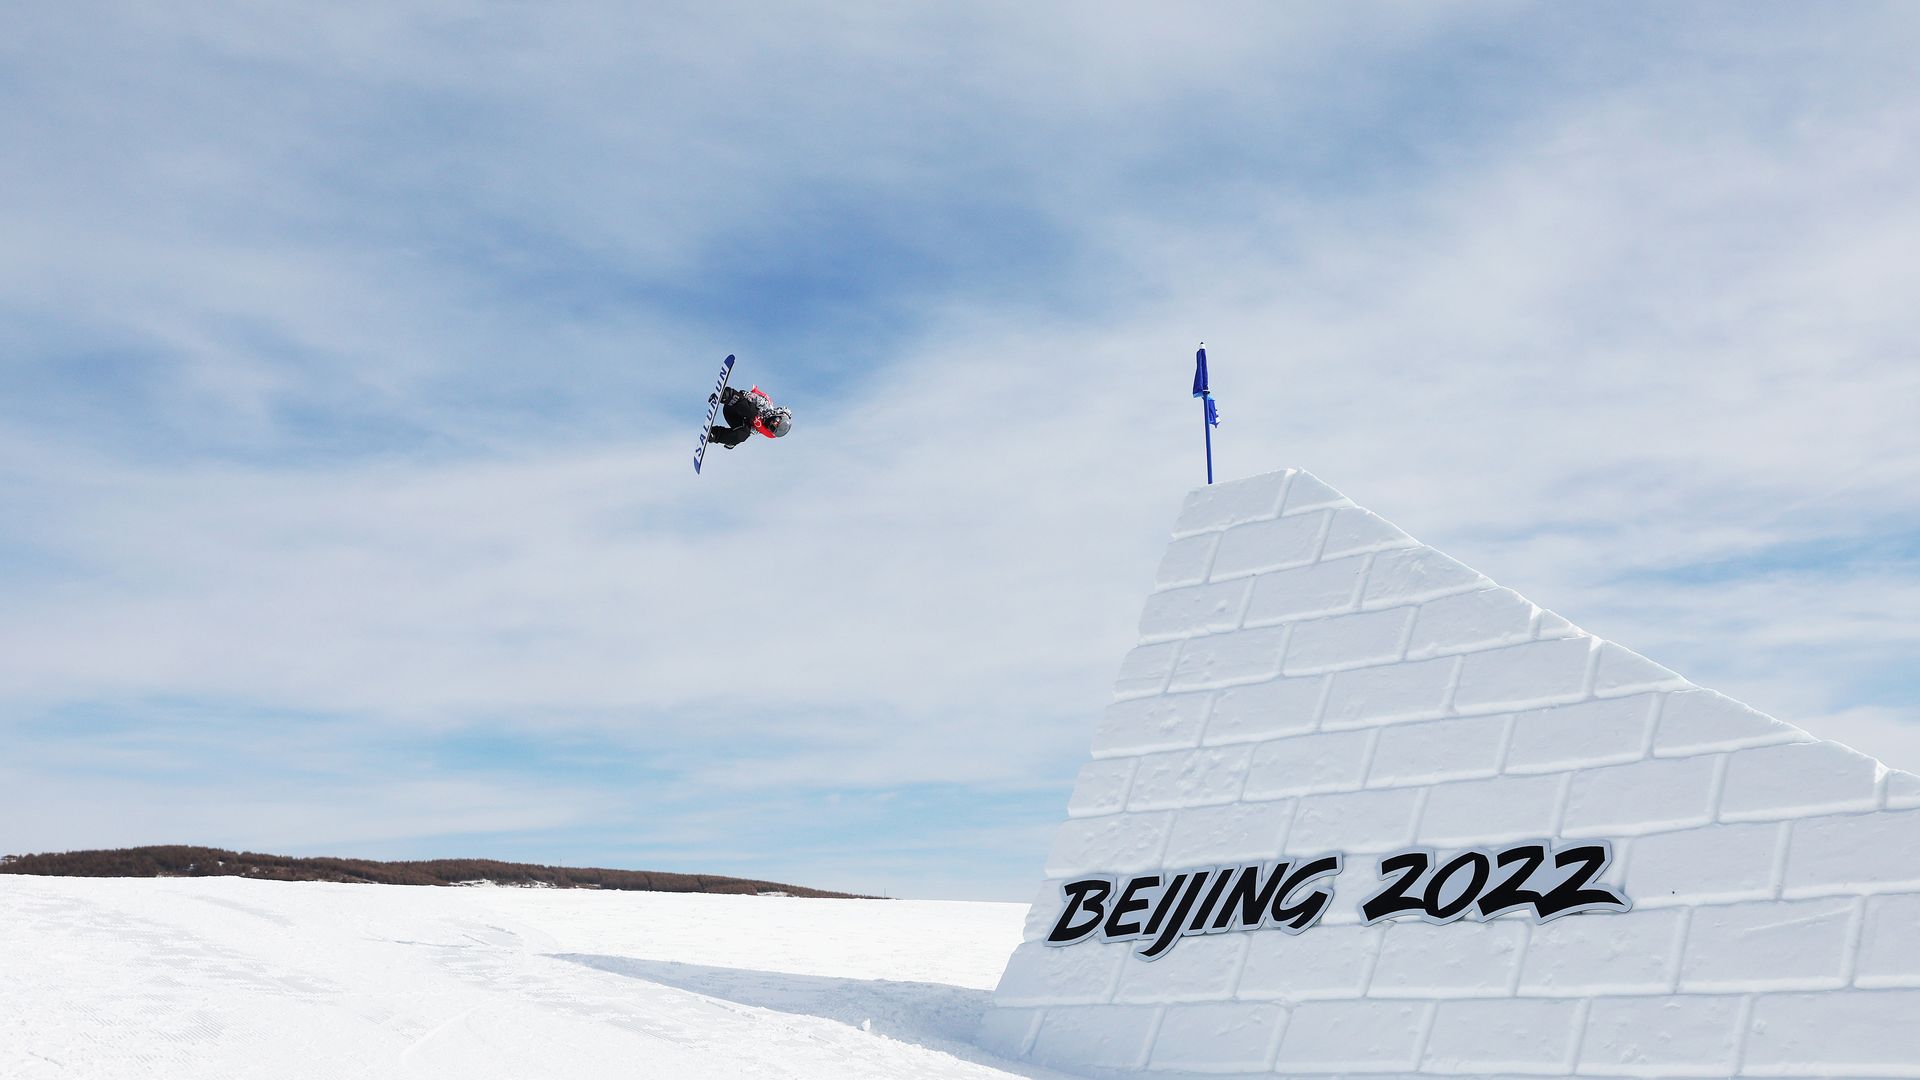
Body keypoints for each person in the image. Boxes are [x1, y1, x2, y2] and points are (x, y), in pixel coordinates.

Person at [708, 385, 793, 449]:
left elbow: (747, 432)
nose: (773, 423)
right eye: (777, 421)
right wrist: (731, 396)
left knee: (744, 434)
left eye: (773, 427)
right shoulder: (766, 405)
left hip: (734, 417)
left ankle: (715, 434)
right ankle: (726, 395)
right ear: (779, 415)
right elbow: (747, 395)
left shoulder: (762, 428)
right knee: (753, 414)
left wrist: (733, 440)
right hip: (733, 404)